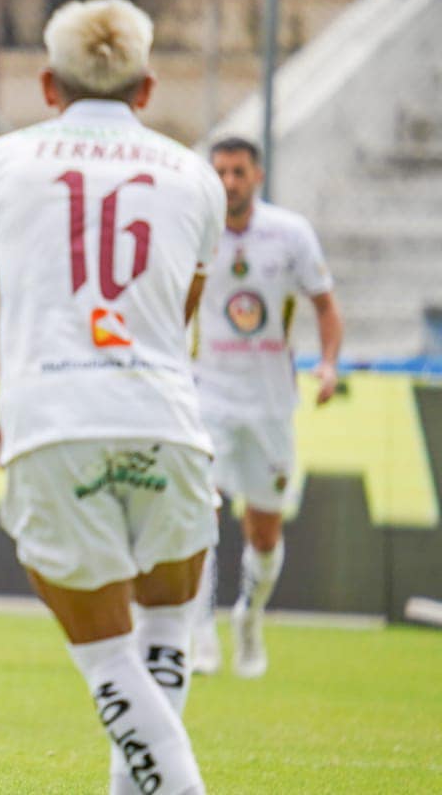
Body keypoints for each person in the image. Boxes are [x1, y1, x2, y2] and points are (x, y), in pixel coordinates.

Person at [0, 0, 224, 794]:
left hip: (55, 425)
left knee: (109, 657)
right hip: (167, 420)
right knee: (163, 636)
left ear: (48, 85)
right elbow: (175, 318)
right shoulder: (196, 175)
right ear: (147, 89)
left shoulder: (0, 163)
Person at [187, 136, 343, 679]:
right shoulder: (194, 229)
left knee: (264, 530)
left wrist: (328, 364)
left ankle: (248, 619)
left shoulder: (290, 233)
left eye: (238, 172)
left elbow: (325, 306)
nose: (228, 182)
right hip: (208, 394)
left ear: (257, 176)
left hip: (271, 400)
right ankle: (199, 631)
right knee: (198, 513)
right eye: (220, 172)